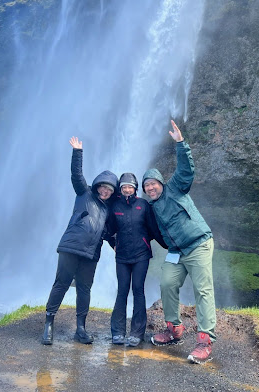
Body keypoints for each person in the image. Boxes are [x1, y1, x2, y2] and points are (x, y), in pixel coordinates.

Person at [142, 120, 216, 364]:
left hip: (198, 244)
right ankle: (175, 330)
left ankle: (205, 341)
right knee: (166, 283)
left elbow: (186, 170)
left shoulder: (175, 188)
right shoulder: (151, 208)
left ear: (160, 183)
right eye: (146, 186)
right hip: (176, 252)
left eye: (153, 183)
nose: (150, 188)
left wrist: (180, 143)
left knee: (202, 290)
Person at [42, 136, 118, 345]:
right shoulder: (84, 193)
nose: (105, 191)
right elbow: (76, 175)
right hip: (71, 246)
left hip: (91, 253)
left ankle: (81, 329)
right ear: (97, 185)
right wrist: (78, 152)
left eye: (110, 189)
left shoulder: (109, 210)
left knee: (84, 288)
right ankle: (48, 325)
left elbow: (110, 234)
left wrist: (119, 248)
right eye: (103, 186)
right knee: (62, 283)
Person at [108, 173, 167, 347]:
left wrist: (167, 246)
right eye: (124, 187)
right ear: (120, 189)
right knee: (122, 291)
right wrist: (114, 244)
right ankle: (117, 332)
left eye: (130, 186)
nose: (127, 190)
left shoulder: (143, 205)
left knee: (138, 290)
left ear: (135, 188)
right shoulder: (115, 206)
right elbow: (109, 230)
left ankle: (136, 333)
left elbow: (153, 230)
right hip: (122, 257)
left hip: (141, 255)